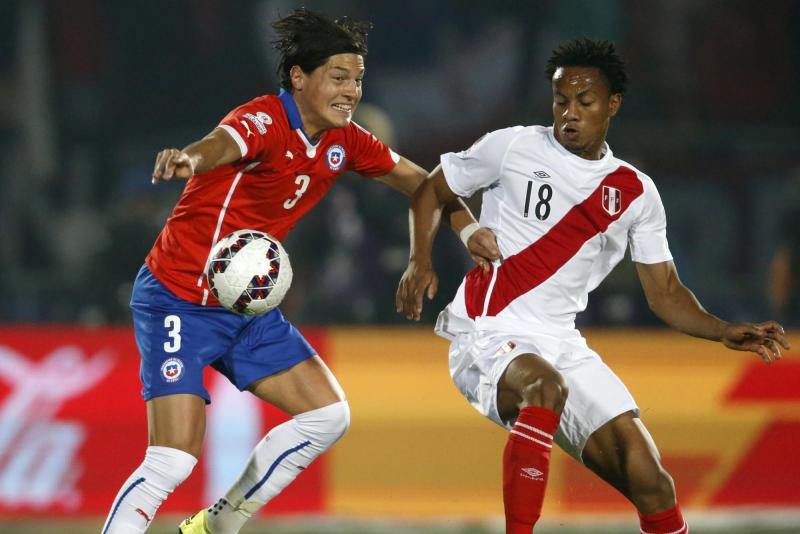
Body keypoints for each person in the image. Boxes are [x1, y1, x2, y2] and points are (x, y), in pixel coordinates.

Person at [100, 9, 496, 534]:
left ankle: (213, 527)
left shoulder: (346, 140)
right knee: (172, 461)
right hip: (178, 299)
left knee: (328, 416)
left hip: (245, 308)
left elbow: (423, 182)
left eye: (357, 79)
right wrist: (192, 160)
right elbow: (223, 144)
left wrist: (467, 233)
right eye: (338, 77)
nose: (351, 91)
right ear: (299, 78)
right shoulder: (262, 120)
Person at [396, 38, 790, 534]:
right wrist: (420, 260)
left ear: (613, 105)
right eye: (561, 101)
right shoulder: (513, 146)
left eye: (585, 102)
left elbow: (665, 292)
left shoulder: (635, 192)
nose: (569, 114)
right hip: (488, 331)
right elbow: (433, 187)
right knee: (545, 388)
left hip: (562, 342)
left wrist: (723, 330)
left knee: (651, 481)